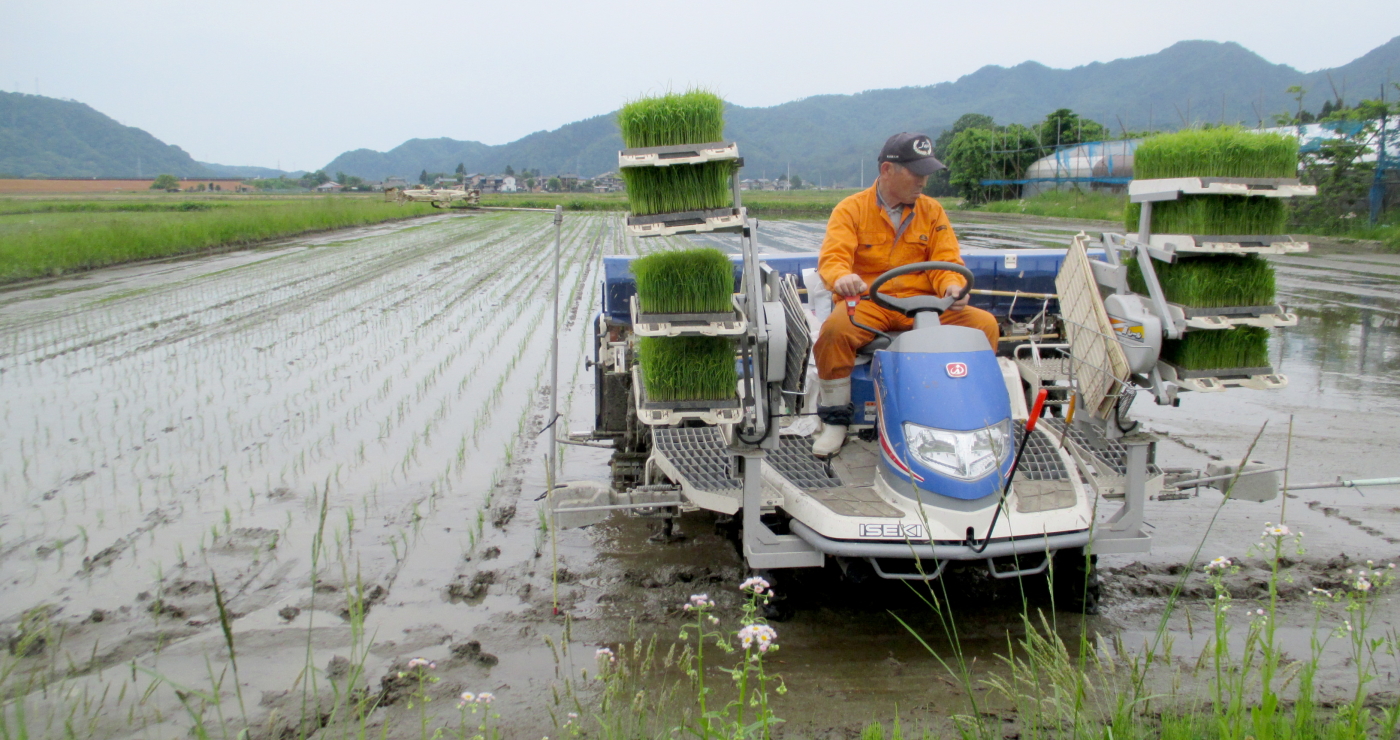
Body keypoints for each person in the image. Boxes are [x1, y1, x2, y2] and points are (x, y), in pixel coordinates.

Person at [811, 132, 1000, 457]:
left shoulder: (933, 212)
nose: (924, 180)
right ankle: (835, 420)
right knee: (833, 332)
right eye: (917, 172)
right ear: (887, 170)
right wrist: (842, 278)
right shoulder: (850, 210)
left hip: (926, 306)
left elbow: (946, 261)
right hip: (871, 303)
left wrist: (953, 286)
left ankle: (971, 413)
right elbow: (833, 258)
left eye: (927, 172)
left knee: (985, 326)